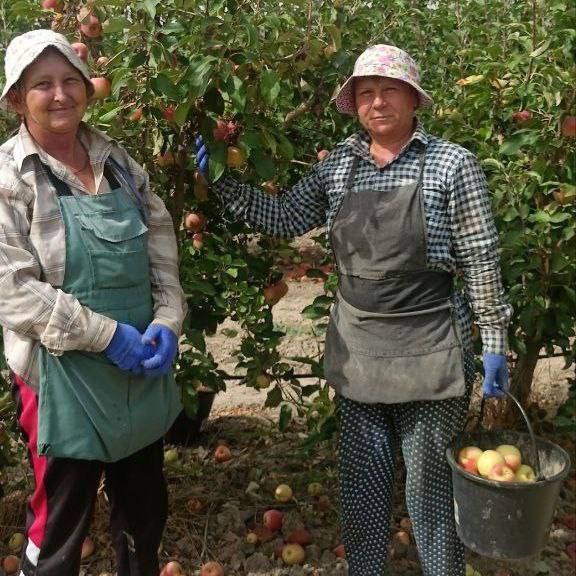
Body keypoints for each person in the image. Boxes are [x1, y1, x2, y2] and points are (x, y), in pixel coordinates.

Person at [196, 44, 511, 575]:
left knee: (431, 488)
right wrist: (225, 185)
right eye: (366, 92)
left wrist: (495, 341)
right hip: (360, 347)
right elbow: (285, 216)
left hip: (429, 346)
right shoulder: (340, 165)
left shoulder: (451, 165)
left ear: (413, 98)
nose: (378, 101)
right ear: (354, 103)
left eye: (390, 90)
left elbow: (480, 258)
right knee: (363, 487)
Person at [0, 30, 186, 575]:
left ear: (86, 88)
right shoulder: (10, 177)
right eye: (42, 85)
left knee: (144, 511)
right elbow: (14, 293)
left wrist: (168, 319)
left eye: (69, 82)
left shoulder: (118, 161)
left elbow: (161, 240)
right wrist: (109, 337)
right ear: (17, 98)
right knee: (60, 522)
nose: (60, 95)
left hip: (138, 367)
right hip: (61, 376)